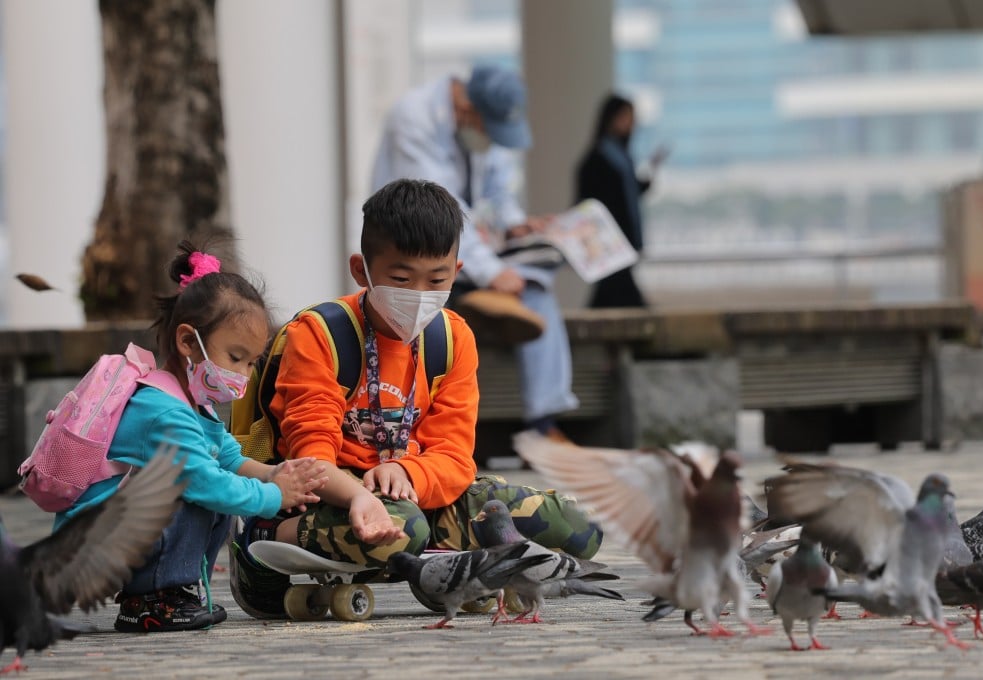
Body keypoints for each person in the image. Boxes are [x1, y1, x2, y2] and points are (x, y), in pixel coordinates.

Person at [228, 179, 603, 619]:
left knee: (576, 528)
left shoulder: (452, 337)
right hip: (331, 497)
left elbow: (455, 456)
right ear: (361, 270)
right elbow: (312, 460)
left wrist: (406, 469)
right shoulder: (320, 336)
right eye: (401, 279)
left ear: (457, 273)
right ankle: (263, 541)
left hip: (416, 490)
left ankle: (445, 574)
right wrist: (360, 495)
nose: (419, 295)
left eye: (437, 279)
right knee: (405, 527)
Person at [55, 241, 328, 633]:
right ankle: (150, 600)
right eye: (235, 358)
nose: (245, 376)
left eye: (252, 362)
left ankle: (174, 591)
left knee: (216, 486)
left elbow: (229, 457)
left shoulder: (191, 403)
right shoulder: (163, 411)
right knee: (203, 494)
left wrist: (278, 474)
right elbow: (205, 481)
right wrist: (274, 498)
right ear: (188, 342)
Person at [370, 64, 578, 441]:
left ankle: (542, 420)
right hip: (418, 251)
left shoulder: (476, 127)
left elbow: (497, 188)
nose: (489, 139)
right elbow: (442, 209)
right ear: (467, 108)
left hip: (465, 258)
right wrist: (491, 273)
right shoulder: (413, 118)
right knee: (426, 317)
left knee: (537, 284)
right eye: (487, 129)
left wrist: (515, 224)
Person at [576, 93, 666, 308]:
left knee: (610, 298)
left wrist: (651, 172)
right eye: (626, 117)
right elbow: (592, 202)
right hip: (610, 242)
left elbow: (631, 192)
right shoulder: (599, 158)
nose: (630, 124)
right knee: (623, 298)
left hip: (622, 243)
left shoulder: (621, 156)